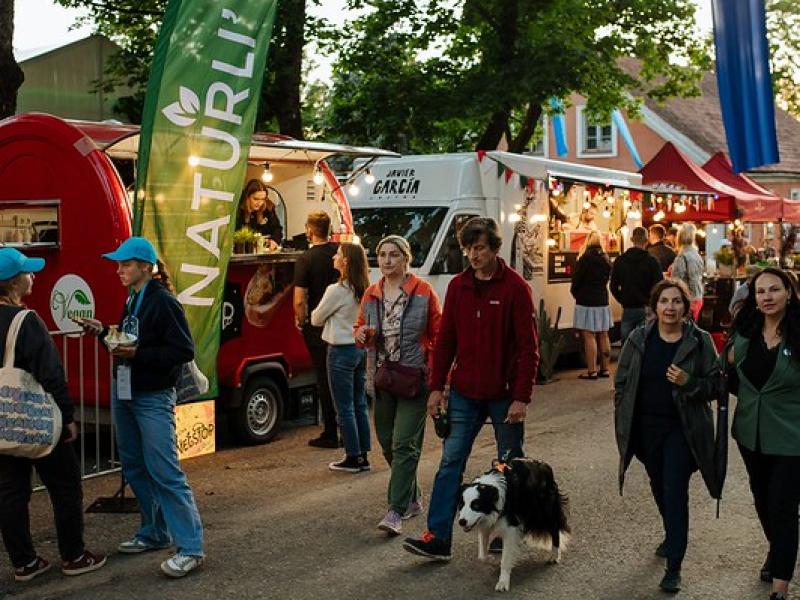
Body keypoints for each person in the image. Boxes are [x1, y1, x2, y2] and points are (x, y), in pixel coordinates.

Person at [402, 217, 539, 561]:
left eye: (479, 248)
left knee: (508, 465)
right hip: (464, 392)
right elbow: (446, 339)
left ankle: (504, 531)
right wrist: (436, 388)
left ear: (494, 247)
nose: (472, 255)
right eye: (467, 248)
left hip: (504, 394)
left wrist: (521, 396)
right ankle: (438, 537)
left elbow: (528, 348)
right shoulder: (458, 287)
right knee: (450, 463)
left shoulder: (516, 289)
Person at [79, 237, 205, 578]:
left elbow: (183, 350)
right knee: (135, 466)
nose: (119, 270)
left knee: (165, 471)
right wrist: (103, 331)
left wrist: (138, 355)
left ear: (146, 268)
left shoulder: (162, 301)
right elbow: (130, 337)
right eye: (118, 264)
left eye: (126, 264)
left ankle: (191, 548)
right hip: (128, 393)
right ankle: (154, 531)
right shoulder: (135, 296)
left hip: (151, 396)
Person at [0, 249, 107, 582]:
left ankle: (24, 563)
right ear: (14, 282)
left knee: (10, 492)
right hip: (36, 419)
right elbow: (51, 373)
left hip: (2, 422)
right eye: (28, 273)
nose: (34, 277)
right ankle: (74, 556)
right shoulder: (26, 320)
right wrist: (68, 416)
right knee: (65, 485)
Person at [614, 278, 720, 594]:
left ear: (686, 308)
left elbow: (716, 385)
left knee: (675, 490)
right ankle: (671, 533)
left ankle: (674, 564)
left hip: (682, 430)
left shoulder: (699, 342)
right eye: (664, 301)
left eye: (676, 302)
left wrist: (689, 382)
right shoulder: (638, 338)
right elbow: (622, 381)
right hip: (646, 430)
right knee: (659, 486)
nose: (670, 307)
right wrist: (622, 407)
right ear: (655, 306)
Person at [354, 235, 442, 535]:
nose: (387, 260)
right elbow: (357, 328)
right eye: (382, 255)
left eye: (394, 255)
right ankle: (413, 496)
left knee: (404, 443)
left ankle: (395, 510)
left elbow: (439, 334)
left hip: (414, 378)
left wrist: (438, 378)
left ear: (406, 258)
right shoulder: (371, 294)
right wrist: (362, 334)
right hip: (382, 377)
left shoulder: (423, 292)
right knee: (388, 442)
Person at [727, 267, 800, 600]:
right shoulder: (744, 333)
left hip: (792, 436)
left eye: (774, 290)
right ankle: (778, 549)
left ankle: (780, 588)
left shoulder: (799, 333)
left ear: (788, 292)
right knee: (763, 500)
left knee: (783, 505)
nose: (767, 297)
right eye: (760, 292)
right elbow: (728, 379)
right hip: (750, 434)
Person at [311, 242, 372, 473]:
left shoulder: (335, 290)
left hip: (339, 351)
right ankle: (363, 454)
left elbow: (316, 318)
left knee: (343, 406)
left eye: (338, 254)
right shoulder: (364, 288)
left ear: (345, 261)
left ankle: (352, 456)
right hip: (359, 348)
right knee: (359, 403)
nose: (333, 257)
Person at [293, 212, 340, 448]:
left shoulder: (306, 259)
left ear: (309, 231)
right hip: (343, 321)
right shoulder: (342, 252)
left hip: (318, 324)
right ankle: (348, 431)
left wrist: (301, 321)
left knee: (323, 376)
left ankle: (331, 431)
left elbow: (300, 299)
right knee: (343, 379)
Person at [610, 226, 663, 345]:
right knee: (646, 344)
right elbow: (659, 286)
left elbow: (613, 286)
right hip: (647, 308)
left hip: (628, 308)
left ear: (632, 240)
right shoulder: (652, 261)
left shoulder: (620, 260)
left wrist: (623, 299)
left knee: (627, 346)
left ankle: (628, 363)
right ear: (646, 240)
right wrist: (651, 302)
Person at [570, 230, 612, 379]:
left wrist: (576, 294)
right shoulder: (606, 259)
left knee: (589, 335)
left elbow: (576, 281)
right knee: (603, 334)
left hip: (586, 301)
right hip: (602, 300)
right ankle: (606, 369)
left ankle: (592, 370)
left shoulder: (584, 259)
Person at [671, 224, 705, 321]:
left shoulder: (682, 257)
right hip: (698, 296)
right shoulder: (696, 255)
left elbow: (676, 281)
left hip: (688, 298)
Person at [236, 178, 282, 245]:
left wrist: (274, 240)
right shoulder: (237, 210)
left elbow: (277, 229)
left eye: (263, 199)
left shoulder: (268, 208)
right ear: (247, 197)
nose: (260, 203)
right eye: (256, 199)